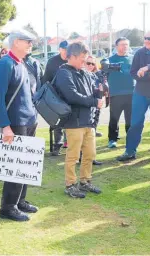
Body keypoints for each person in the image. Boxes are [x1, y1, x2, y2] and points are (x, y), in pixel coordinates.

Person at [0, 30, 39, 221]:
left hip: (28, 121)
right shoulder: (5, 63)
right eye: (27, 41)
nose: (30, 44)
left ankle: (20, 200)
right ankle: (8, 206)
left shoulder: (21, 63)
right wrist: (5, 125)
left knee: (26, 165)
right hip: (15, 123)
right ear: (16, 42)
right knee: (15, 166)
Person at [54, 42, 103, 199]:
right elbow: (72, 96)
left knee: (90, 154)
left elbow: (91, 91)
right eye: (82, 59)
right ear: (72, 56)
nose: (84, 62)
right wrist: (94, 102)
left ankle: (85, 181)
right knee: (73, 156)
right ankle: (70, 184)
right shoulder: (63, 73)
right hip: (73, 122)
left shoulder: (83, 72)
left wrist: (100, 90)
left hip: (88, 121)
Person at [117, 30, 150, 164]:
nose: (146, 41)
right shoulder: (139, 52)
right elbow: (133, 73)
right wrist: (149, 74)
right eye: (145, 38)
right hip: (140, 93)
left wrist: (147, 67)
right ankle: (130, 151)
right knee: (135, 123)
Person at [107, 37, 135, 149]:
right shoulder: (109, 60)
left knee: (130, 118)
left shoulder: (133, 59)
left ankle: (130, 138)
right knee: (114, 118)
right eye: (122, 44)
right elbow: (104, 75)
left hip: (131, 93)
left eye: (127, 44)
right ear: (116, 46)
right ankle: (112, 139)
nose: (125, 47)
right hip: (115, 94)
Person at [43, 40, 69, 155]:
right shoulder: (52, 61)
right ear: (60, 49)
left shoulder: (72, 60)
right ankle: (57, 145)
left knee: (71, 121)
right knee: (57, 122)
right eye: (64, 49)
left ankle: (70, 144)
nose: (66, 51)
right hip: (56, 96)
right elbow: (46, 79)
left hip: (70, 96)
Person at [82, 56, 104, 166]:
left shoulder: (96, 76)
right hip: (84, 109)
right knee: (83, 134)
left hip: (95, 108)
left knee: (92, 132)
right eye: (88, 63)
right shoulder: (80, 76)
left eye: (93, 64)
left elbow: (100, 92)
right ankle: (82, 156)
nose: (90, 66)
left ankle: (90, 157)